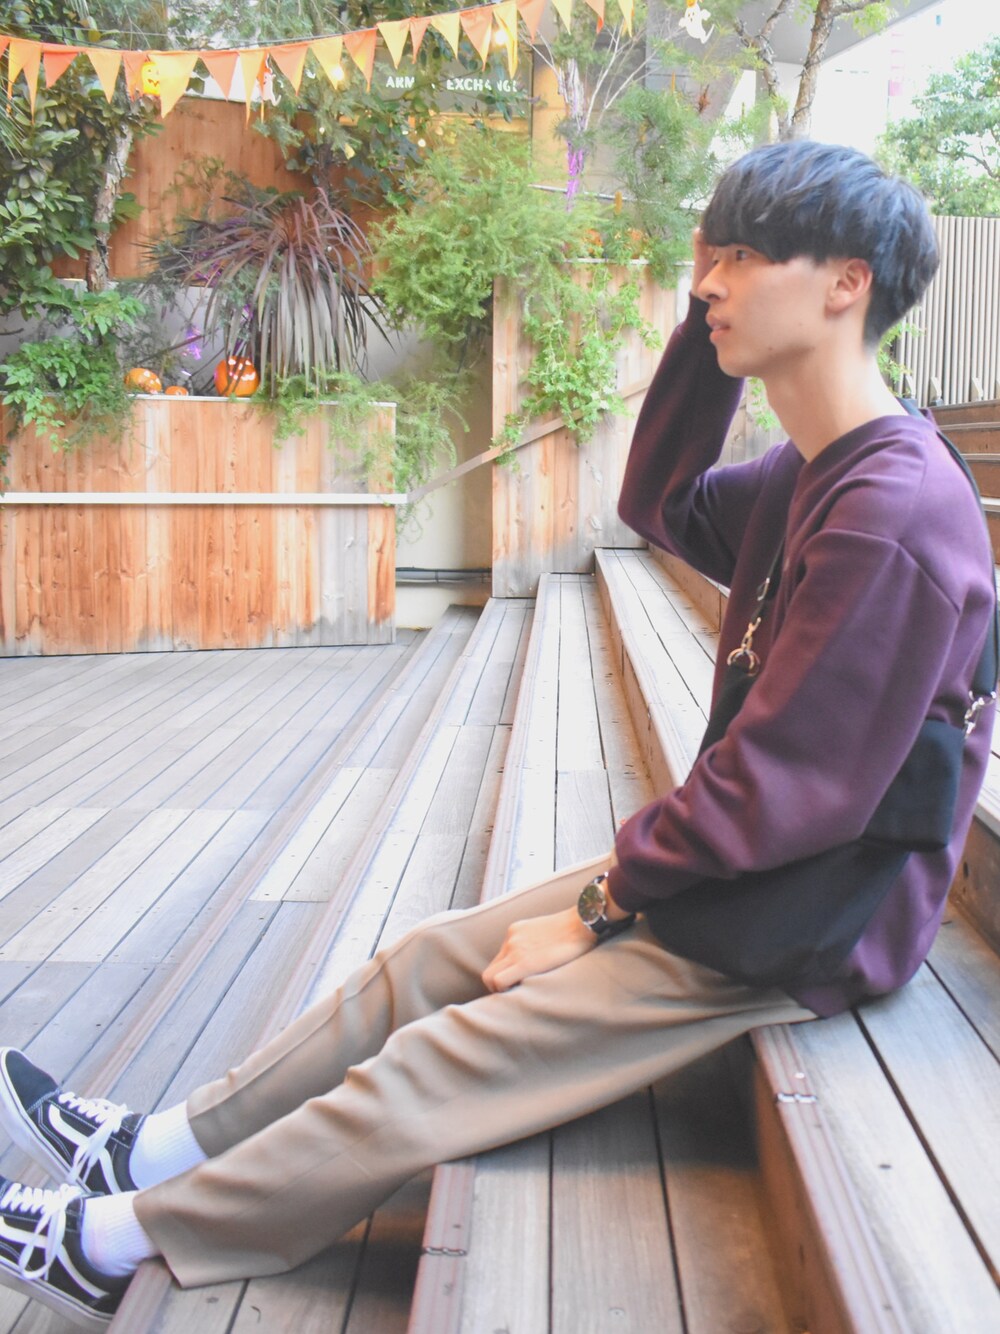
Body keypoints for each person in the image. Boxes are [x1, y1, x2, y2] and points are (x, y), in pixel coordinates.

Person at [0, 140, 993, 1332]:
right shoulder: (813, 471)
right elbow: (661, 505)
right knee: (425, 960)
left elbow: (790, 788)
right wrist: (700, 334)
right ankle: (154, 1147)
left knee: (439, 1060)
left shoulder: (890, 513)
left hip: (808, 921)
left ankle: (121, 1242)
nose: (708, 283)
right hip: (749, 872)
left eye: (738, 257)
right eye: (707, 258)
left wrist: (597, 909)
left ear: (844, 282)